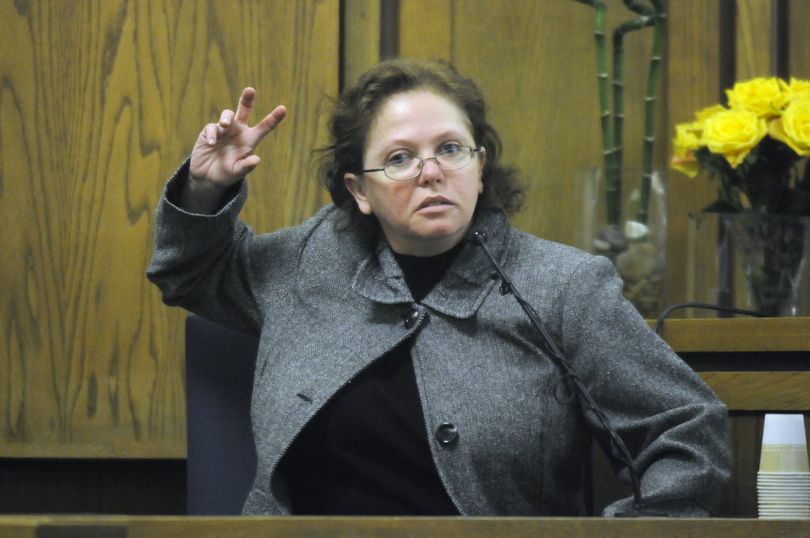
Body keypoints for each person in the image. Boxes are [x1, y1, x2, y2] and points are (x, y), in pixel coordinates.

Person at [148, 59, 730, 516]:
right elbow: (189, 272)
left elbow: (683, 429)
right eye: (400, 158)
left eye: (450, 150)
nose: (431, 172)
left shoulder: (563, 286)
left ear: (480, 165)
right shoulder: (310, 261)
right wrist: (204, 188)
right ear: (359, 191)